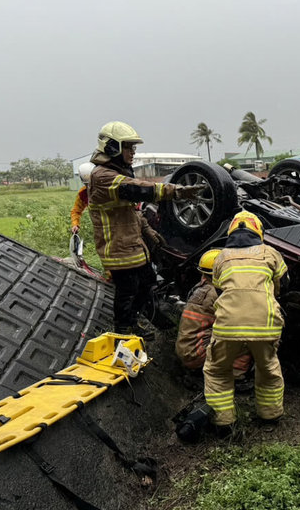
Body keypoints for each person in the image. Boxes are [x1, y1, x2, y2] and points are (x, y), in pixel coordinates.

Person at [88, 121, 204, 337]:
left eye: (134, 148)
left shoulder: (118, 172)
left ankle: (132, 322)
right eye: (128, 147)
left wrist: (149, 232)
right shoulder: (103, 177)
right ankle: (122, 331)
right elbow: (139, 189)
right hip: (118, 248)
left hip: (132, 246)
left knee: (147, 283)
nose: (133, 152)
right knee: (127, 292)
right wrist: (176, 191)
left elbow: (132, 212)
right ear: (112, 147)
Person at [203, 211, 289, 434]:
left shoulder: (221, 257)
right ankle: (269, 416)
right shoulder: (270, 253)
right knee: (268, 367)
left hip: (228, 325)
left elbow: (218, 289)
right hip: (265, 323)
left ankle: (223, 423)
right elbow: (284, 285)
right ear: (258, 231)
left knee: (218, 370)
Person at [176, 249, 253, 379]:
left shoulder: (203, 288)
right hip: (196, 354)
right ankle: (233, 376)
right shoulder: (215, 295)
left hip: (188, 350)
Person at [70, 162, 94, 234]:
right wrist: (75, 225)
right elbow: (76, 211)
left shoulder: (109, 189)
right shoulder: (83, 193)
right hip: (99, 227)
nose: (89, 186)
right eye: (86, 184)